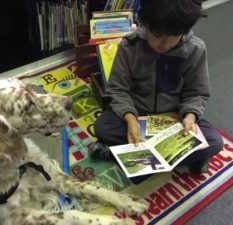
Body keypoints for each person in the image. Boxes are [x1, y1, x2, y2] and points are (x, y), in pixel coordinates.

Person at [89, 0, 223, 174]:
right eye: (158, 35)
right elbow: (118, 89)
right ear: (144, 23)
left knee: (214, 141)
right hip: (138, 112)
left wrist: (190, 116)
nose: (165, 44)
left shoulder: (195, 49)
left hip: (174, 118)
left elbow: (197, 92)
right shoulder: (129, 46)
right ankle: (186, 158)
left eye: (175, 35)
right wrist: (130, 118)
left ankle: (119, 154)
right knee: (103, 126)